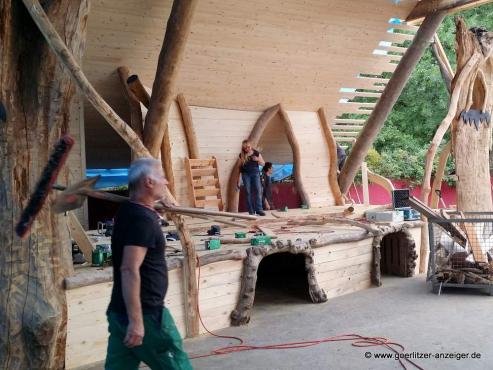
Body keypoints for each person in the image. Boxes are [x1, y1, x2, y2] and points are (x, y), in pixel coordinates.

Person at [105, 158, 192, 370]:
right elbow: (129, 268)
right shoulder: (143, 220)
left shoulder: (128, 211)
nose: (167, 182)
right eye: (162, 177)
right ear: (148, 182)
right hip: (146, 316)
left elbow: (140, 220)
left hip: (118, 312)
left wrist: (155, 211)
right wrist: (137, 322)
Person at [237, 140, 266, 216]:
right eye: (245, 148)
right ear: (243, 148)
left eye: (248, 147)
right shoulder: (241, 155)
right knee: (248, 192)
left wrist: (257, 160)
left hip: (255, 173)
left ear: (251, 146)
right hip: (246, 175)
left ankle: (259, 210)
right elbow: (239, 167)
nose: (247, 149)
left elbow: (263, 163)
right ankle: (251, 211)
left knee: (257, 190)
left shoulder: (256, 153)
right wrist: (238, 179)